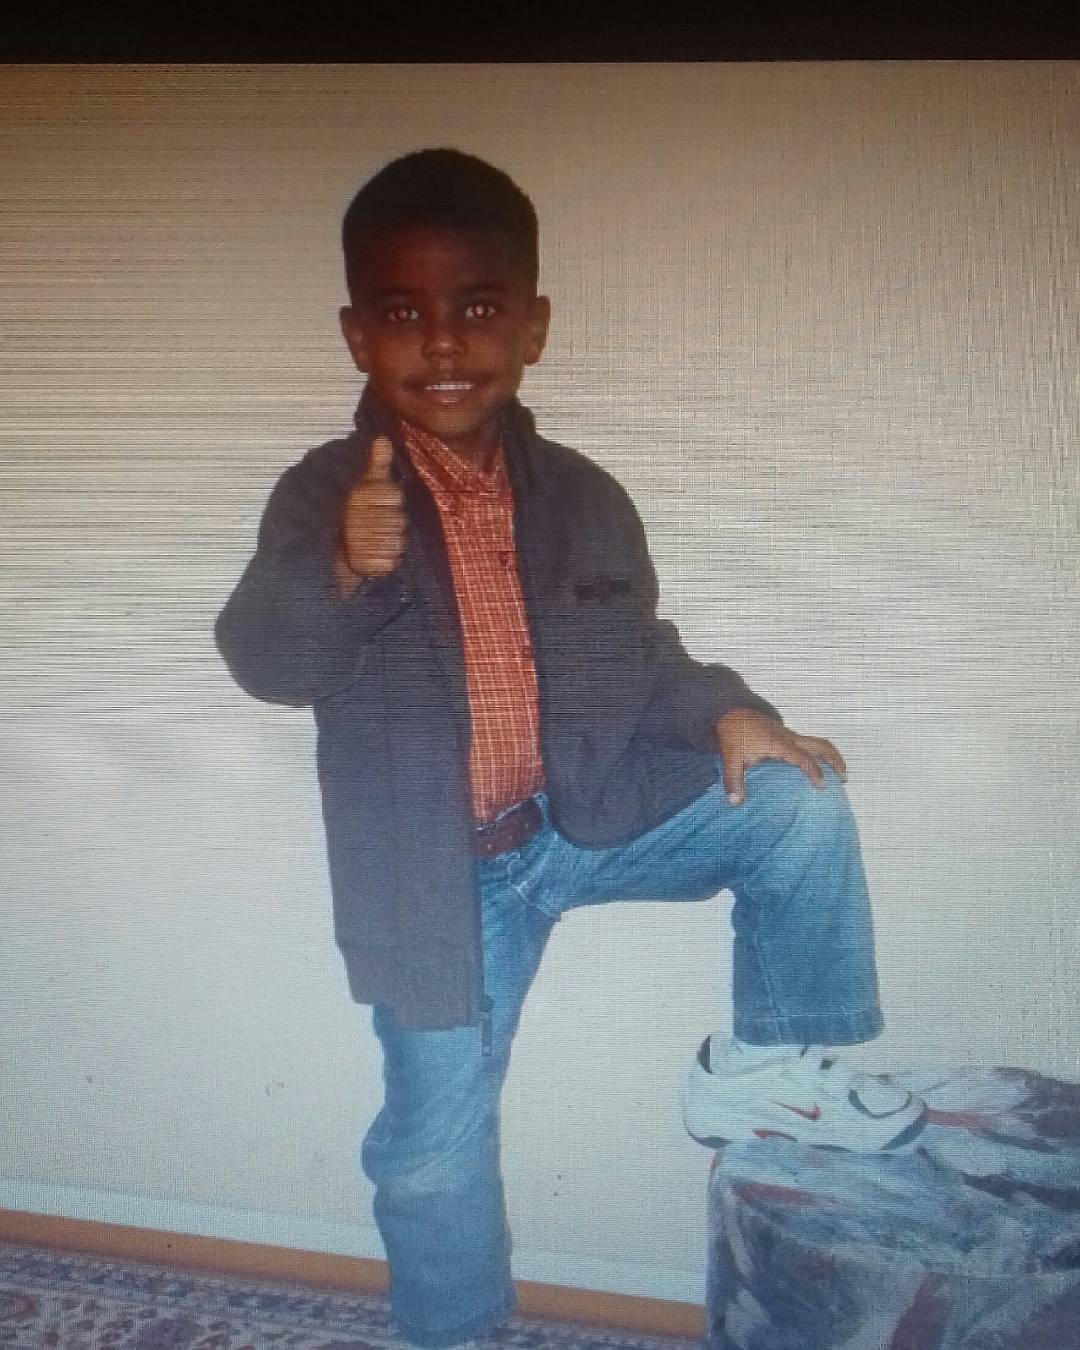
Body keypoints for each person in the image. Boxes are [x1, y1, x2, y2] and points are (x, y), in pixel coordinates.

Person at [215, 148, 926, 1349]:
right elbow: (264, 661)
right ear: (357, 336)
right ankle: (455, 1331)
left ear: (533, 326)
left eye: (479, 307)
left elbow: (638, 651)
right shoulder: (326, 495)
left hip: (585, 820)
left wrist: (724, 711)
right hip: (436, 886)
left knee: (796, 797)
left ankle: (762, 1070)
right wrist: (340, 567)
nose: (445, 342)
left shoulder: (588, 498)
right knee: (432, 1148)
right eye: (404, 314)